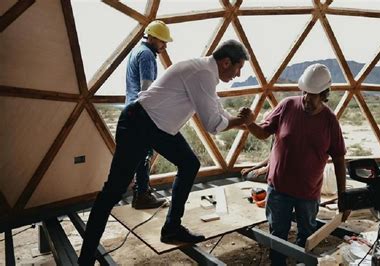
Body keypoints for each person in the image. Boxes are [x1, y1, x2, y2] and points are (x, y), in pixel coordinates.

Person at [78, 39, 253, 265]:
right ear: (227, 62)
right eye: (239, 68)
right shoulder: (203, 73)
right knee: (113, 191)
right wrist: (241, 121)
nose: (238, 75)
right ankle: (85, 257)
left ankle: (172, 228)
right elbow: (212, 124)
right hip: (138, 123)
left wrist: (240, 121)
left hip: (154, 125)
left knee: (189, 164)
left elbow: (218, 112)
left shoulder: (204, 71)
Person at [245, 64, 348, 265]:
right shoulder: (287, 106)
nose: (308, 99)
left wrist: (344, 197)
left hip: (308, 194)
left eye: (315, 94)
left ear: (325, 94)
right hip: (279, 190)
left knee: (307, 237)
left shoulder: (329, 121)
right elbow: (263, 133)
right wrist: (250, 123)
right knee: (277, 236)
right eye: (306, 92)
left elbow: (339, 159)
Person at [125, 20, 172, 210]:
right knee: (145, 153)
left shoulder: (136, 51)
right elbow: (146, 89)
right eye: (162, 41)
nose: (165, 45)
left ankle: (141, 191)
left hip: (131, 108)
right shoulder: (146, 55)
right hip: (142, 111)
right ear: (151, 37)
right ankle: (142, 195)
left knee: (139, 153)